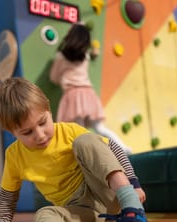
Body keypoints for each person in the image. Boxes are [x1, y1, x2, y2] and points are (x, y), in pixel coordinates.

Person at [0, 77, 150, 222]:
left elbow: (112, 147)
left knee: (86, 141)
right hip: (86, 214)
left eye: (42, 123)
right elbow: (8, 196)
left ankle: (133, 209)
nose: (40, 135)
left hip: (106, 194)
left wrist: (133, 183)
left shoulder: (69, 131)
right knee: (44, 214)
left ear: (49, 110)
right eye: (27, 132)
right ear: (12, 132)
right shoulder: (14, 155)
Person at [49, 23, 132, 154]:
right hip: (88, 94)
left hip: (72, 95)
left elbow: (53, 77)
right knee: (100, 128)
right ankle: (122, 148)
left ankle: (86, 158)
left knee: (79, 131)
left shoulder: (61, 57)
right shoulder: (86, 56)